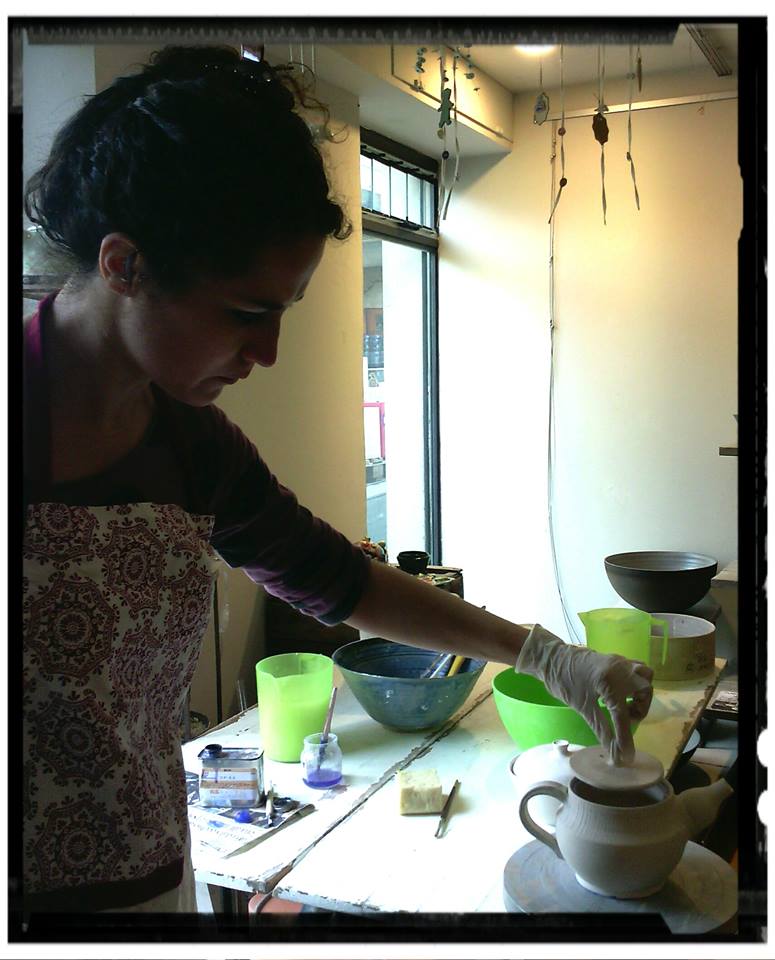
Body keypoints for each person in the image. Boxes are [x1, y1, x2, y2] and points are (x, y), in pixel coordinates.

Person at [22, 45, 653, 914]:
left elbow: (343, 581)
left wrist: (547, 657)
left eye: (281, 314)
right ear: (124, 264)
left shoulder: (194, 447)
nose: (267, 352)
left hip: (149, 874)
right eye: (245, 313)